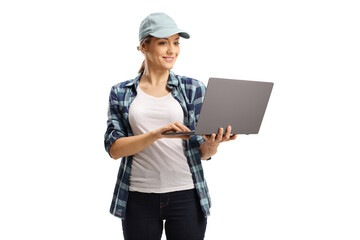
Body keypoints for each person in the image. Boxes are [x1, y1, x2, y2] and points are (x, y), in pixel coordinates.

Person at [104, 12, 237, 240]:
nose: (172, 50)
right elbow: (115, 149)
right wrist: (157, 134)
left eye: (176, 42)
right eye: (163, 42)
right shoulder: (121, 92)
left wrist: (212, 144)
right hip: (138, 195)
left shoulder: (193, 88)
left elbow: (202, 153)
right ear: (144, 47)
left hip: (186, 193)